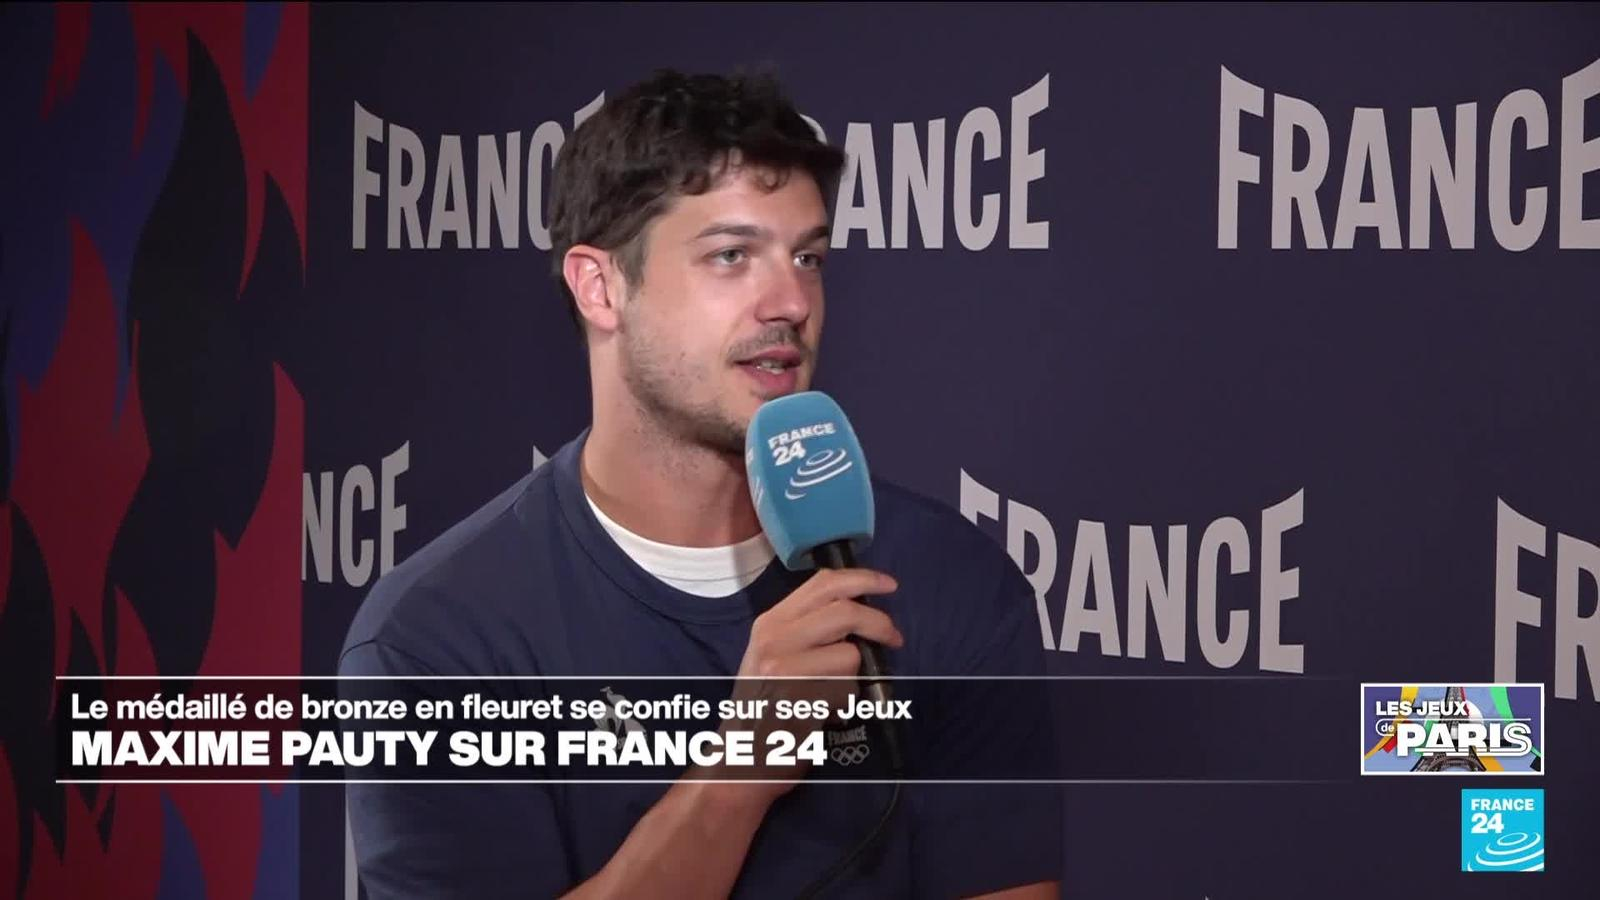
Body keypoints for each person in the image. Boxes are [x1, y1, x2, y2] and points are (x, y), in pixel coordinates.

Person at [340, 69, 1061, 899]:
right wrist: (739, 771)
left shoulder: (945, 580)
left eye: (808, 257)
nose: (791, 301)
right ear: (600, 286)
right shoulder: (437, 641)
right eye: (731, 256)